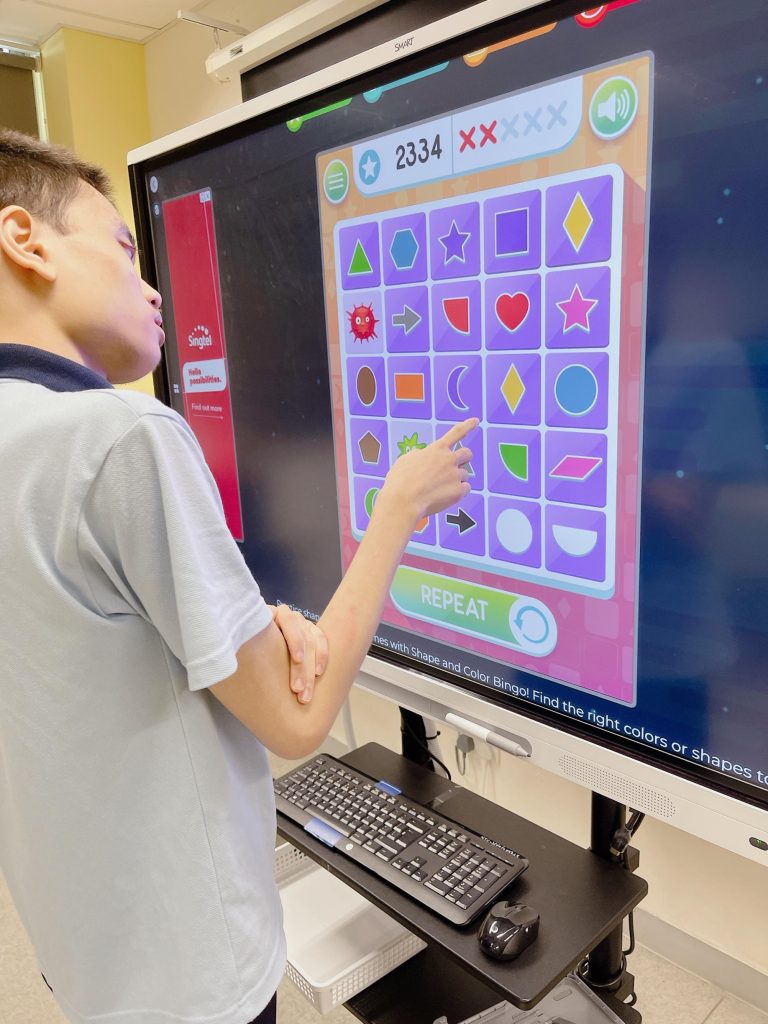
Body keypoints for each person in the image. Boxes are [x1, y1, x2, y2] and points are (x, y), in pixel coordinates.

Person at [0, 128, 476, 1024]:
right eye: (122, 246)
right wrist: (396, 514)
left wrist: (254, 619)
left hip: (87, 949)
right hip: (191, 974)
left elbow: (78, 632)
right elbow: (298, 719)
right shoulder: (122, 439)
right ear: (25, 240)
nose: (152, 289)